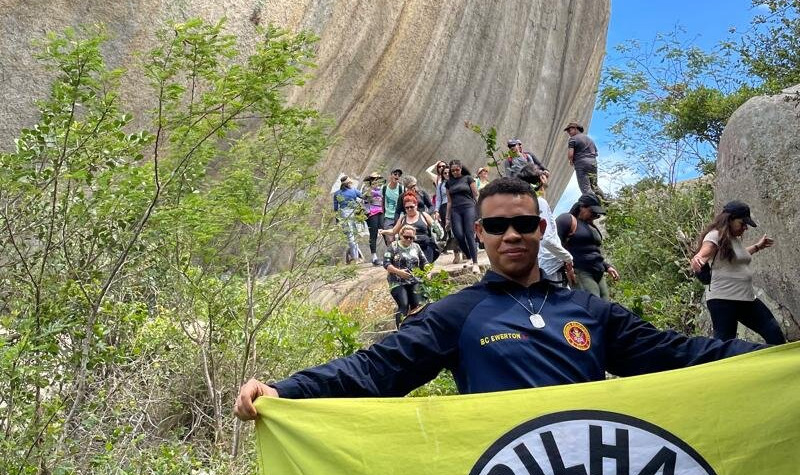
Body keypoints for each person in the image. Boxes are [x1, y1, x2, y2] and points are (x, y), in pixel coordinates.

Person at [234, 177, 760, 415]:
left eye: (524, 223)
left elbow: (677, 354)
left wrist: (770, 360)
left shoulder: (590, 311)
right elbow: (378, 370)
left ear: (540, 230)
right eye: (497, 226)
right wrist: (288, 390)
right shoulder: (458, 315)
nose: (512, 234)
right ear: (479, 233)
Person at [690, 200, 786, 345]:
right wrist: (698, 259)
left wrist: (757, 247)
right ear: (730, 219)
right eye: (742, 223)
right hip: (723, 300)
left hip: (746, 298)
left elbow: (737, 257)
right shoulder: (714, 235)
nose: (745, 227)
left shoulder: (732, 239)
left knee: (773, 333)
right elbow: (703, 253)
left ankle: (780, 365)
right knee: (725, 345)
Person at [516, 163, 575, 287]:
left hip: (539, 265)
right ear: (539, 180)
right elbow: (546, 239)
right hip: (550, 265)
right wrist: (567, 257)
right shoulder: (539, 203)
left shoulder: (525, 205)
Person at [555, 193, 619, 299]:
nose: (595, 216)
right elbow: (554, 245)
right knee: (593, 306)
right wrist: (568, 268)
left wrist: (607, 266)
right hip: (581, 271)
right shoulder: (567, 220)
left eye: (597, 215)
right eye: (593, 212)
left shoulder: (591, 226)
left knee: (606, 305)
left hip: (598, 271)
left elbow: (592, 251)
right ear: (582, 207)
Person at [382, 225, 429, 327]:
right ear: (400, 235)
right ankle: (401, 328)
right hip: (397, 281)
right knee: (403, 304)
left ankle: (417, 327)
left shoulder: (416, 247)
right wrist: (398, 272)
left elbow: (424, 262)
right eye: (406, 237)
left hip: (414, 279)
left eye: (411, 238)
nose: (408, 239)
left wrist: (427, 270)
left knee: (418, 305)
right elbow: (386, 264)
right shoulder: (393, 246)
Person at [381, 191, 440, 262]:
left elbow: (437, 229)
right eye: (407, 208)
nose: (409, 209)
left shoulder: (424, 215)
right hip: (409, 250)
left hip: (425, 247)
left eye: (411, 207)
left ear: (416, 205)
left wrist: (438, 232)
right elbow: (393, 231)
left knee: (425, 269)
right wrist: (383, 231)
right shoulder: (402, 219)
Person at [444, 159, 480, 274]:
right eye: (453, 170)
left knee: (469, 234)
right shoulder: (449, 183)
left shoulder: (468, 179)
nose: (455, 172)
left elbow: (476, 195)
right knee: (459, 235)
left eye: (457, 170)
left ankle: (475, 263)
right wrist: (447, 218)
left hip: (468, 207)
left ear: (461, 168)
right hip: (455, 210)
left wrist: (480, 212)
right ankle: (469, 257)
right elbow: (449, 202)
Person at [564, 121, 605, 200]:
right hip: (593, 163)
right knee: (595, 186)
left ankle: (594, 207)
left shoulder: (572, 139)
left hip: (581, 163)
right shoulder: (589, 139)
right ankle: (605, 202)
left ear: (576, 129)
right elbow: (596, 152)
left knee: (585, 189)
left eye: (569, 130)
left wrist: (571, 160)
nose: (568, 132)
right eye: (567, 131)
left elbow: (570, 155)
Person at [332, 175, 364, 263]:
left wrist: (337, 221)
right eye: (350, 183)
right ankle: (356, 257)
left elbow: (335, 209)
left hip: (344, 215)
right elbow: (364, 197)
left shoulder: (337, 193)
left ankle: (355, 257)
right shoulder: (353, 190)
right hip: (352, 214)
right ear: (347, 184)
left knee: (351, 237)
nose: (351, 184)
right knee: (354, 237)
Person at [360, 173, 385, 266]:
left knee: (385, 231)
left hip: (380, 212)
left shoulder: (381, 188)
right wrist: (367, 212)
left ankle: (390, 255)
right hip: (371, 213)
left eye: (377, 178)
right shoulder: (366, 189)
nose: (376, 180)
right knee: (373, 234)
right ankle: (374, 257)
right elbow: (362, 199)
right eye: (374, 179)